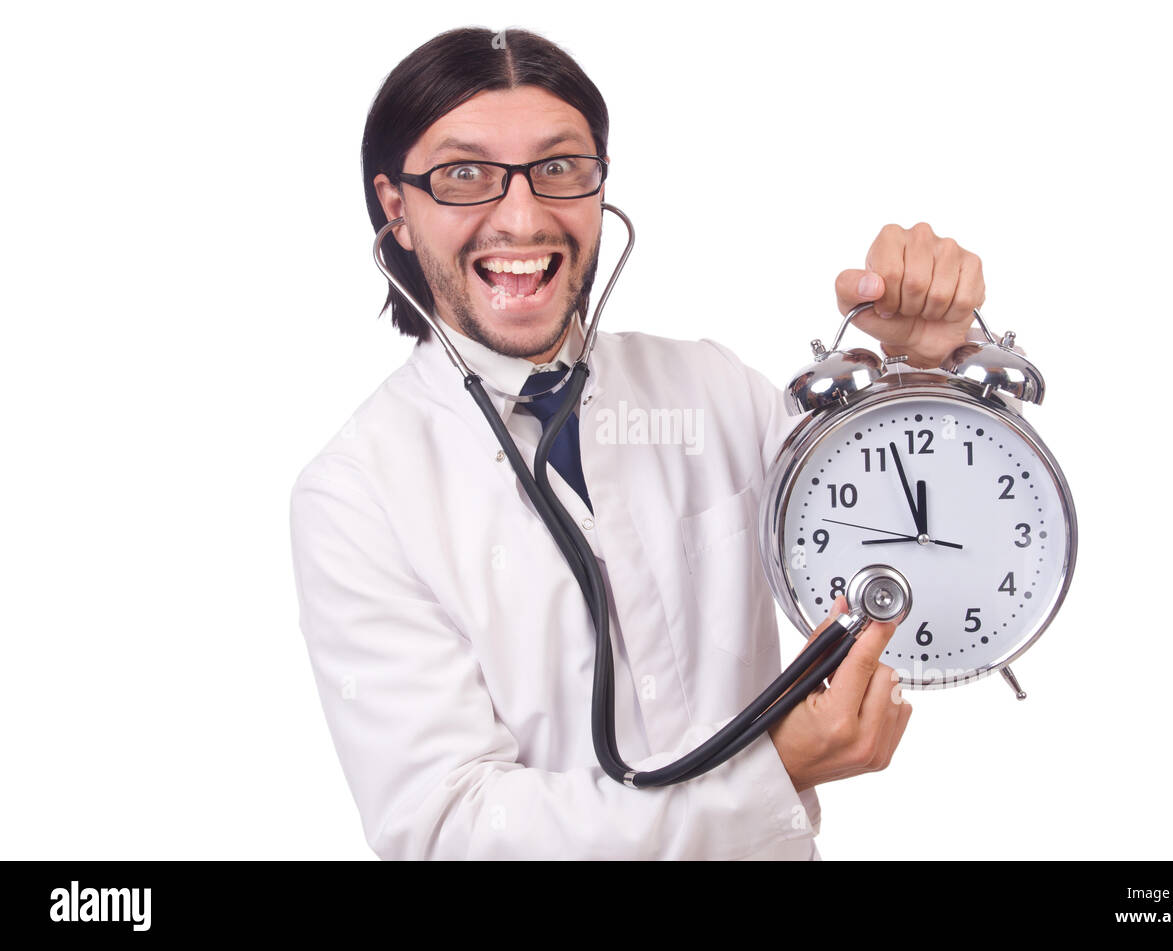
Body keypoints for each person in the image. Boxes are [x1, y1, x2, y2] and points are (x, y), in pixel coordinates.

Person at [289, 27, 986, 860]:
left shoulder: (715, 392)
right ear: (397, 210)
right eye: (464, 174)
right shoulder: (356, 495)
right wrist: (771, 772)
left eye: (558, 167)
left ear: (598, 188)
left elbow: (930, 554)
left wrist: (919, 366)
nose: (521, 215)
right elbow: (453, 831)